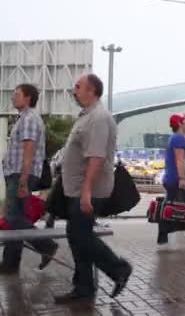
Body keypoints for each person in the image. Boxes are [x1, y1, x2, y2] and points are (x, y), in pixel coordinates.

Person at [54, 74, 132, 303]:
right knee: (76, 235)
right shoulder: (86, 116)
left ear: (92, 91)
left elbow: (96, 158)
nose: (74, 89)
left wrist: (86, 191)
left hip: (88, 190)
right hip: (77, 188)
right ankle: (84, 287)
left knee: (80, 235)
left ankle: (118, 269)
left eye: (78, 86)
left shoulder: (98, 118)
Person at [0, 84, 58, 274]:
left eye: (16, 94)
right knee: (19, 218)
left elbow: (29, 151)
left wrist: (23, 180)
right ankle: (10, 263)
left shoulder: (30, 119)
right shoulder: (23, 119)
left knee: (12, 217)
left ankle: (46, 244)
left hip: (20, 174)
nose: (12, 97)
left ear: (28, 98)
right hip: (16, 174)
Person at [157, 113, 185, 247]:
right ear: (180, 124)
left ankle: (163, 239)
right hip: (176, 179)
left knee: (171, 205)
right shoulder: (179, 139)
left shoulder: (176, 138)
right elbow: (180, 160)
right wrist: (182, 178)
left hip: (171, 178)